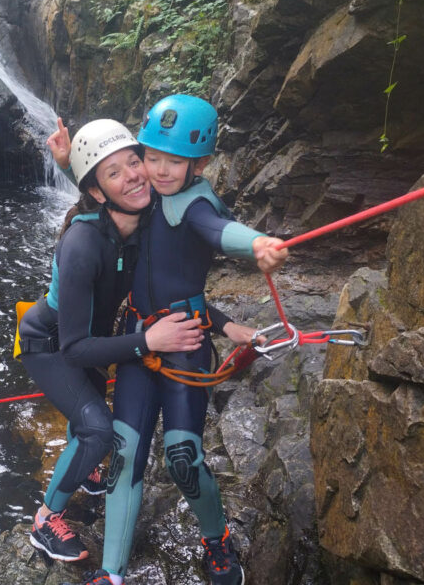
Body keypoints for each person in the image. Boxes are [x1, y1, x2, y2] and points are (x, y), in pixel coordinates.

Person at [69, 95, 288, 585]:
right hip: (140, 338)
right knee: (125, 455)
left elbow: (218, 230)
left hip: (185, 342)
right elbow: (106, 195)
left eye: (175, 161)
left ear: (201, 164)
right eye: (152, 157)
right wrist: (68, 163)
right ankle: (112, 573)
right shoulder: (146, 197)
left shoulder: (194, 206)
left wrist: (257, 244)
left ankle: (217, 538)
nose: (160, 170)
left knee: (183, 457)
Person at [18, 118, 208, 563]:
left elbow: (114, 190)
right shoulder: (82, 244)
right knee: (97, 430)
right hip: (52, 343)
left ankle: (84, 470)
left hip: (89, 335)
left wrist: (69, 164)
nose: (136, 174)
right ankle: (46, 519)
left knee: (87, 420)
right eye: (115, 171)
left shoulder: (142, 221)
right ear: (99, 191)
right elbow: (74, 349)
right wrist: (148, 342)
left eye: (134, 161)